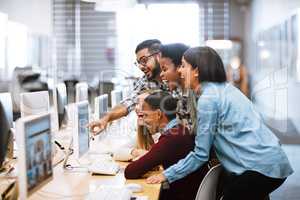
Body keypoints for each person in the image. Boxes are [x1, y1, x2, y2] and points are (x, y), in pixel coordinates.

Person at [146, 46, 293, 200]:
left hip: (260, 167)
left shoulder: (208, 99)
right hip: (272, 162)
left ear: (196, 71)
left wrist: (167, 175)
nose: (180, 71)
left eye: (183, 66)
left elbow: (200, 154)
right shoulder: (225, 89)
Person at [124, 91, 208, 200]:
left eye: (146, 115)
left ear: (159, 114)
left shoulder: (171, 139)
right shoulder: (180, 130)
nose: (143, 121)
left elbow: (130, 171)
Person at [88, 39, 164, 135]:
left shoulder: (176, 78)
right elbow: (128, 103)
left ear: (159, 56)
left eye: (144, 60)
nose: (141, 66)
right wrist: (105, 119)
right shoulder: (146, 81)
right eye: (139, 63)